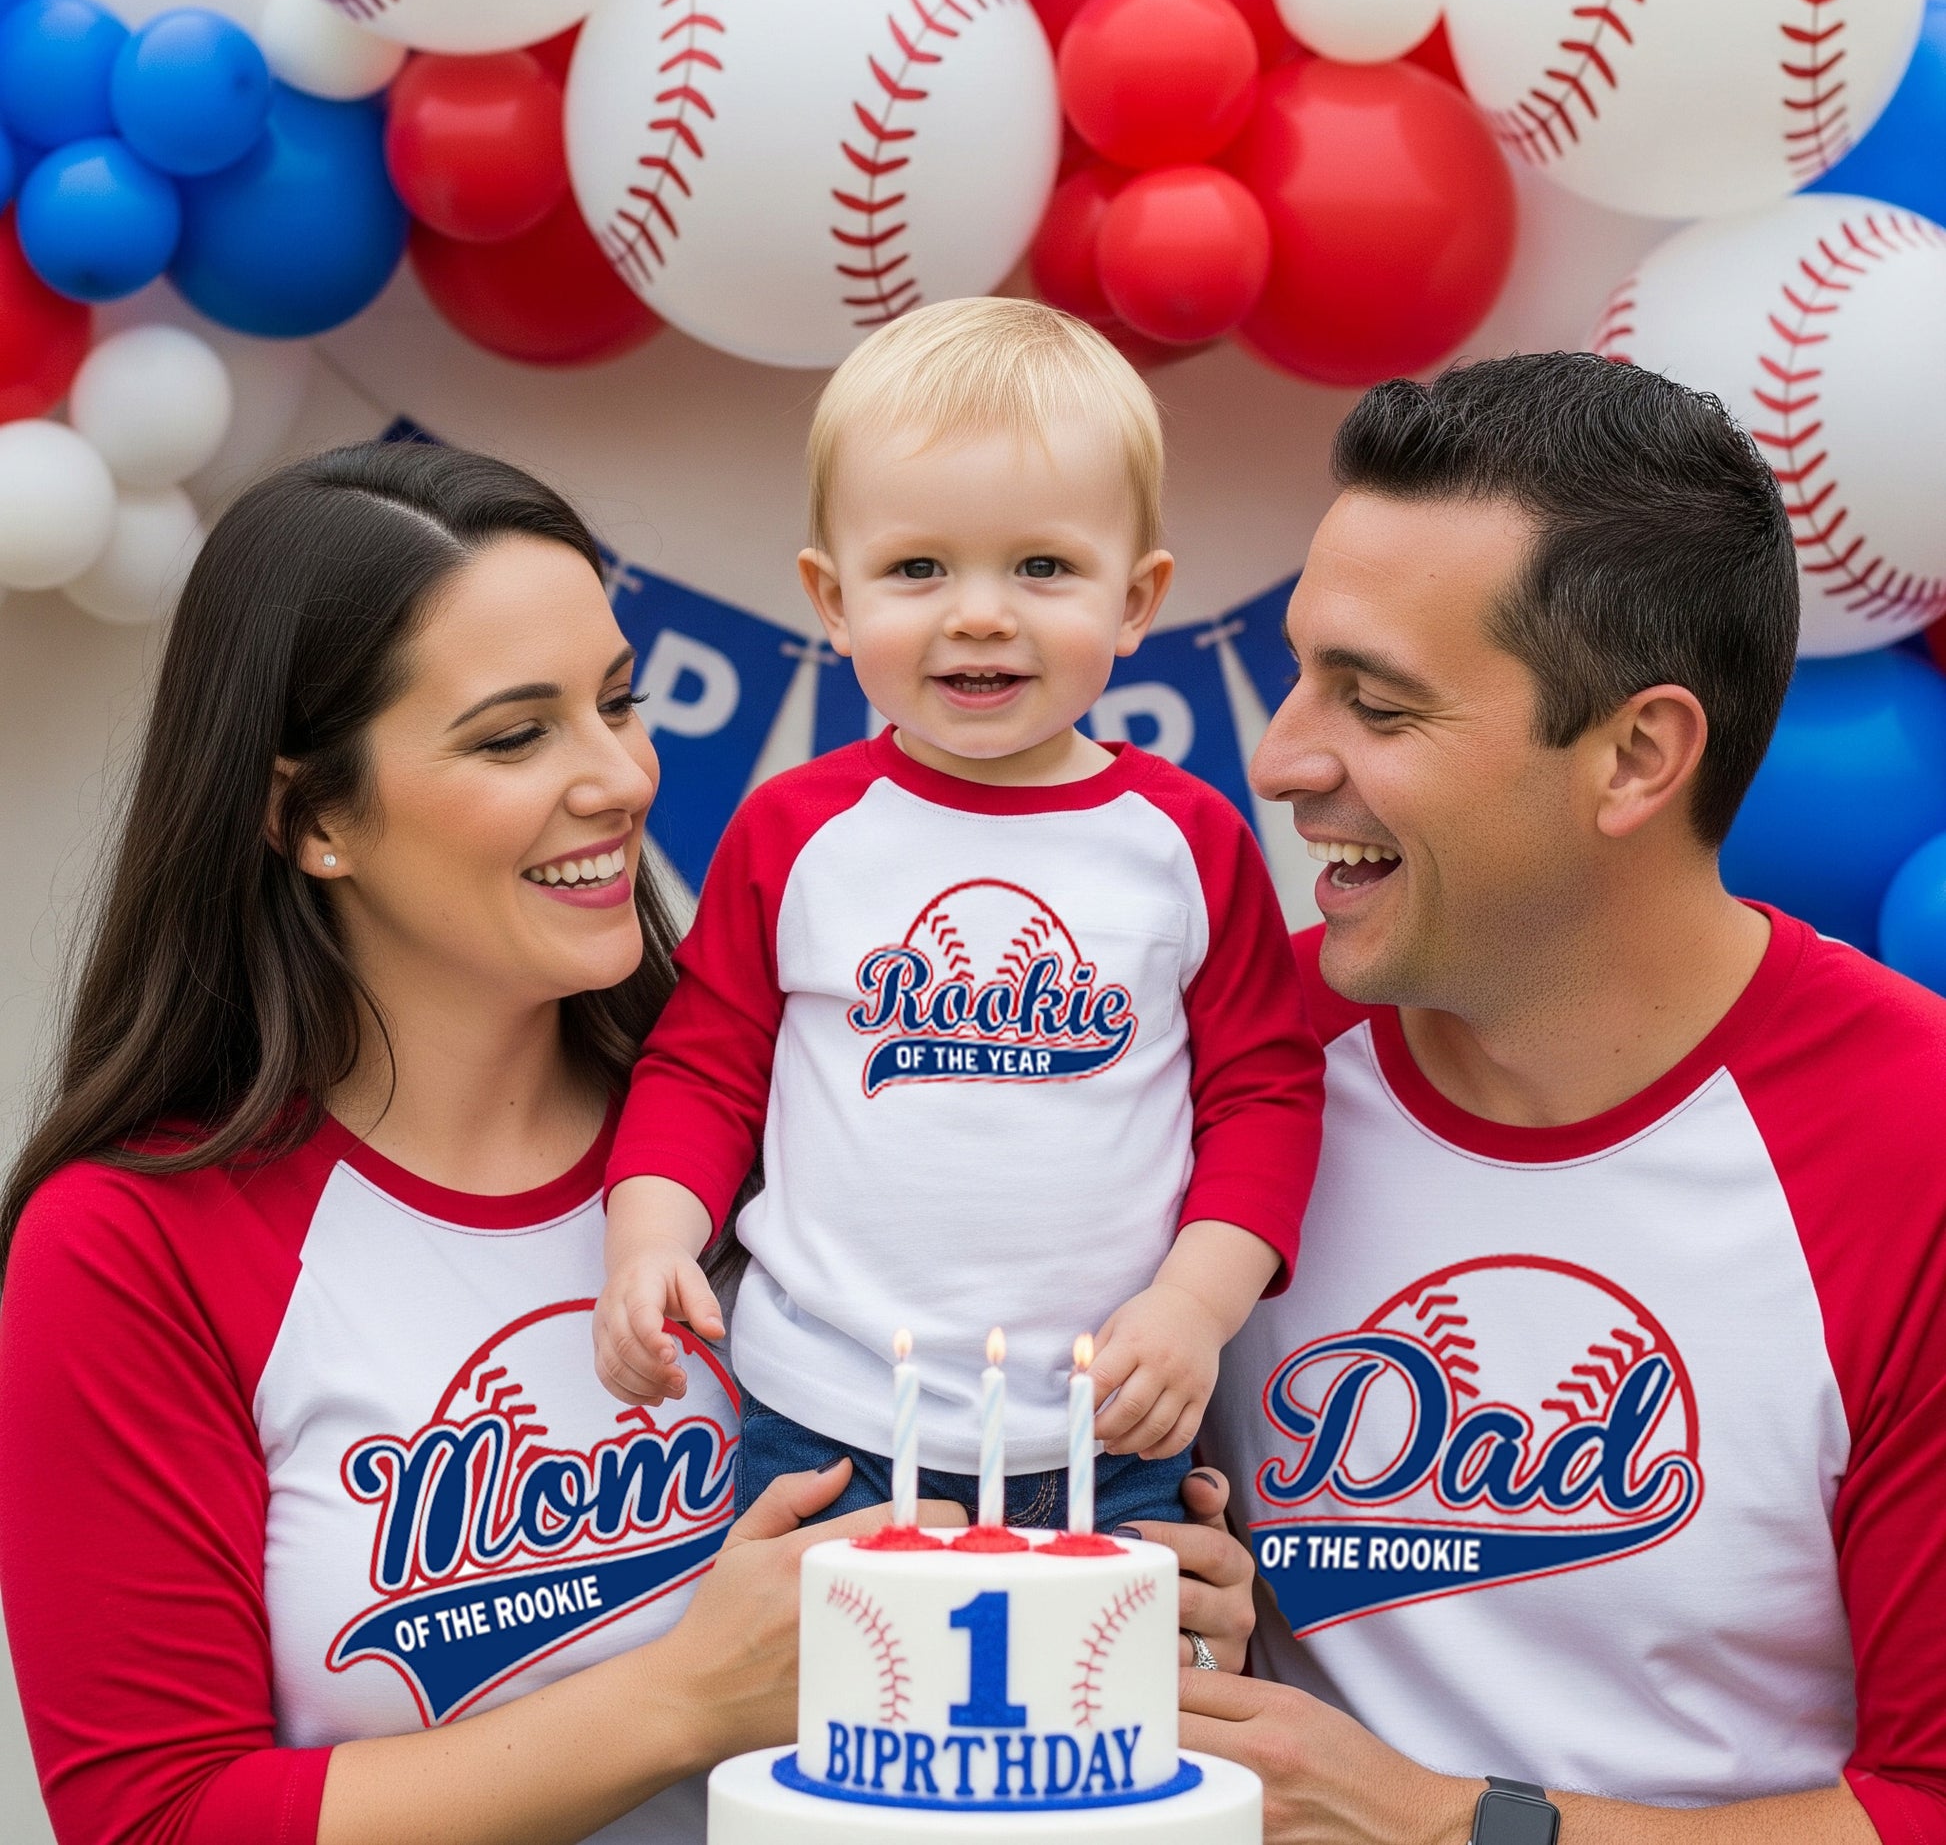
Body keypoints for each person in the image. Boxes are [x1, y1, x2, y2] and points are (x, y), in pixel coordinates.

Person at [0, 440, 1259, 1845]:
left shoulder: (803, 1118)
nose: (619, 777)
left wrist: (1155, 1629)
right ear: (313, 816)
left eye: (618, 702)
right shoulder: (131, 1243)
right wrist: (684, 1696)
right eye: (513, 736)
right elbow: (154, 1819)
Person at [1186, 354, 1946, 1844]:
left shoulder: (1912, 1137)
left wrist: (1444, 1822)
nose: (1279, 757)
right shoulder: (1218, 1054)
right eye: (1299, 673)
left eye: (1376, 703)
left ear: (1634, 756)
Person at [594, 298, 1322, 1526]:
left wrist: (1195, 1305)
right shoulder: (797, 830)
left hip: (1109, 1422)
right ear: (832, 597)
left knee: (1106, 1663)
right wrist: (649, 1237)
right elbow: (706, 1068)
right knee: (824, 1661)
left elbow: (1264, 1094)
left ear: (1135, 597)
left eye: (1041, 566)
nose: (979, 612)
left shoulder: (1184, 840)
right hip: (828, 1415)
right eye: (917, 567)